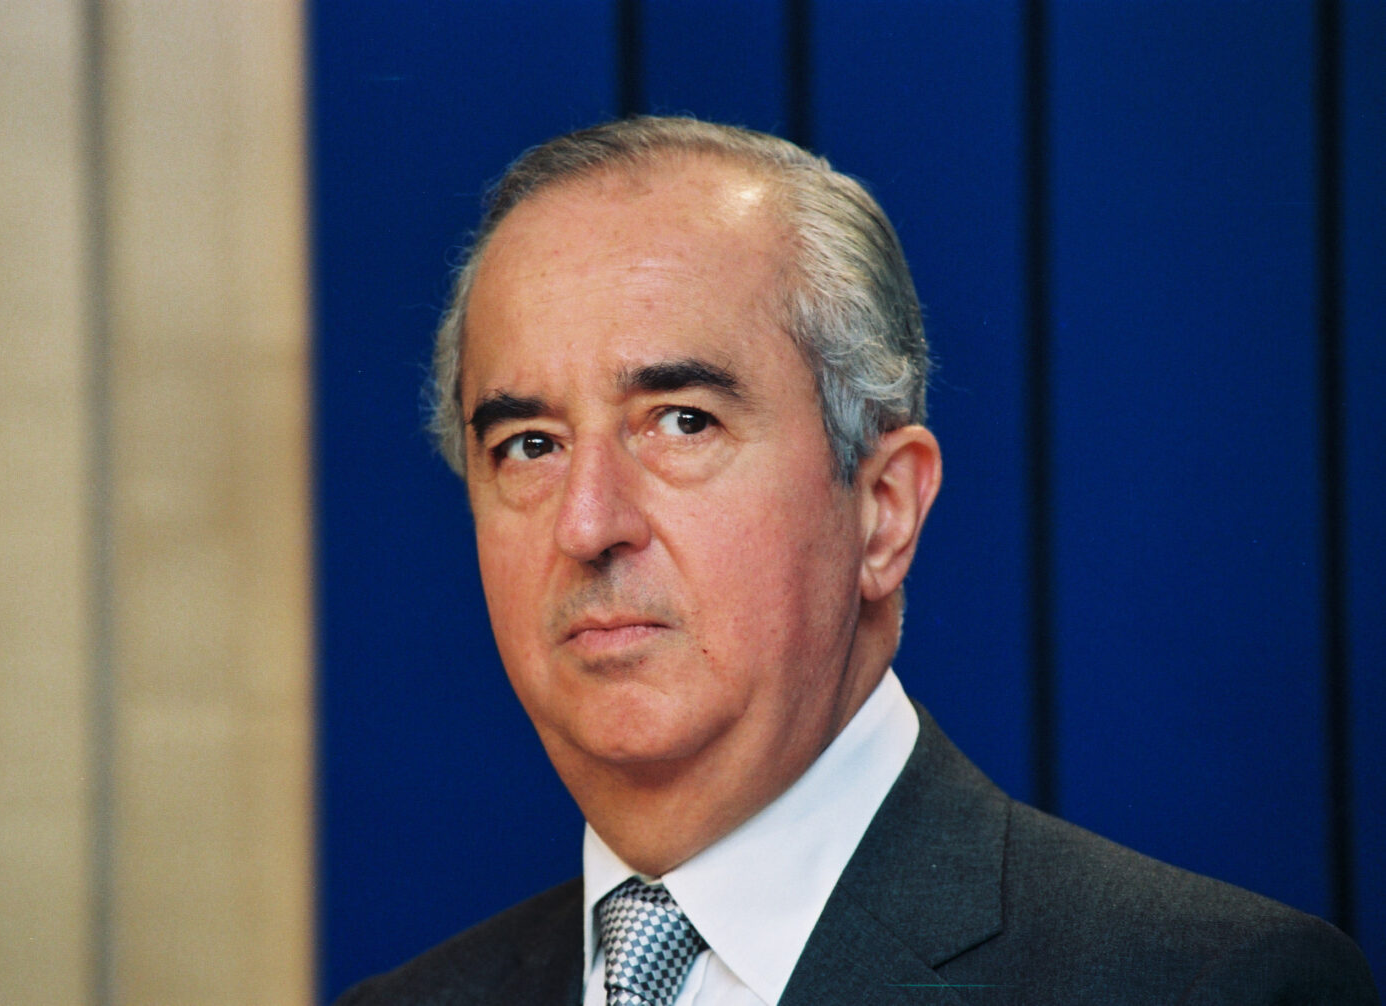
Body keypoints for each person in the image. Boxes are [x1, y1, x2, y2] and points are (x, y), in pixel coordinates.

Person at [338, 117, 1376, 1005]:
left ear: (882, 513)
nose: (587, 523)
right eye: (530, 445)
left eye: (683, 422)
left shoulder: (1204, 985)